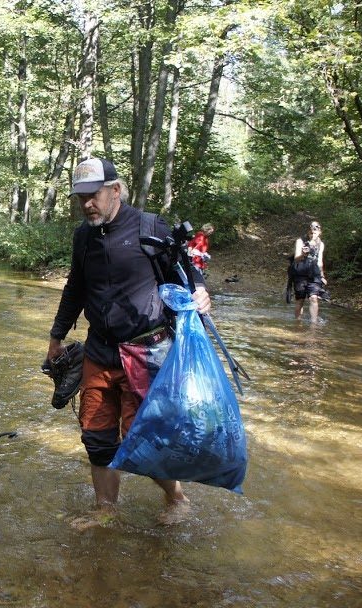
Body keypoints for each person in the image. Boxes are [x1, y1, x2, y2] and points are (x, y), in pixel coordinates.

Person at [46, 157, 212, 527]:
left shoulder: (150, 226)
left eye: (94, 195)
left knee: (144, 437)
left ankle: (177, 498)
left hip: (147, 351)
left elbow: (186, 273)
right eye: (80, 197)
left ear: (116, 190)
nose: (87, 204)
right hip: (99, 350)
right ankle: (105, 510)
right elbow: (75, 287)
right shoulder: (83, 236)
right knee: (96, 436)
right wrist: (56, 336)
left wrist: (200, 292)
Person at [292, 221, 327, 323]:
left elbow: (320, 261)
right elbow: (296, 259)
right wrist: (303, 254)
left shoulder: (321, 244)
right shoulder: (300, 241)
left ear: (320, 232)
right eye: (311, 232)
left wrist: (322, 276)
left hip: (314, 274)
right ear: (308, 232)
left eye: (315, 232)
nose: (312, 235)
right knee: (300, 300)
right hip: (300, 274)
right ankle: (297, 322)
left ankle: (313, 324)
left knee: (314, 298)